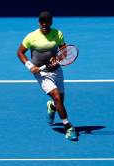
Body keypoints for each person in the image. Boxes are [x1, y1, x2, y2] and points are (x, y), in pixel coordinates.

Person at [17, 11, 78, 141]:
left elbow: (64, 53)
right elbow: (20, 53)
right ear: (39, 22)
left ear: (51, 22)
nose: (44, 24)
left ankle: (51, 107)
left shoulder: (58, 34)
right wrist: (30, 66)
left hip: (56, 70)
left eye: (47, 21)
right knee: (56, 96)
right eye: (42, 21)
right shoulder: (31, 36)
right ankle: (68, 126)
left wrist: (57, 58)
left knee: (60, 100)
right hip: (42, 73)